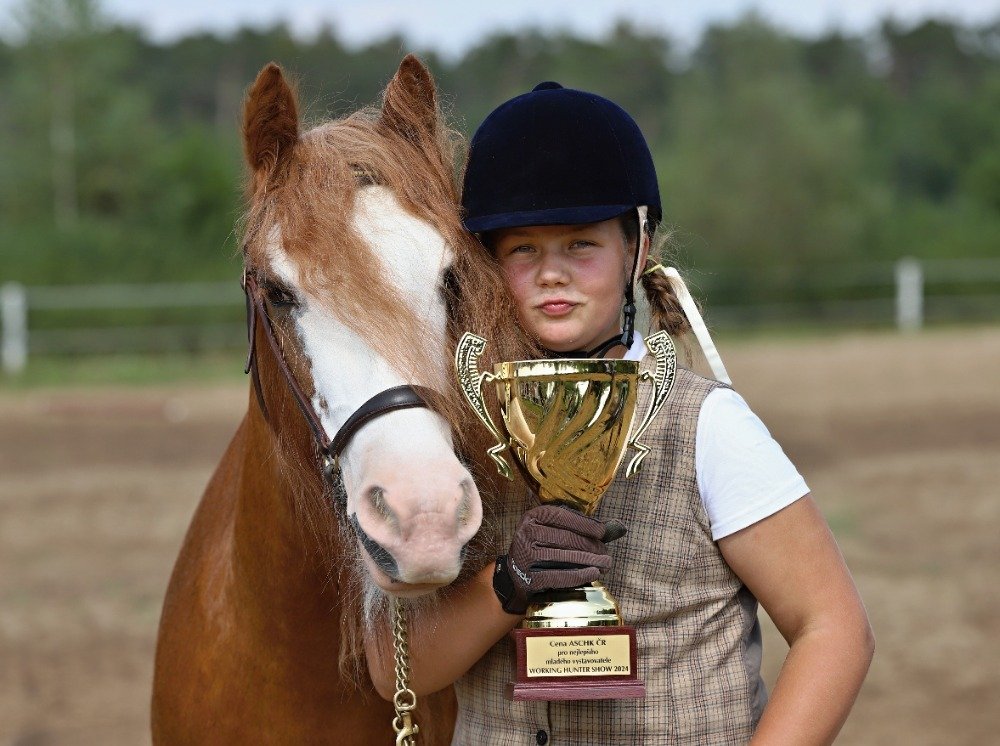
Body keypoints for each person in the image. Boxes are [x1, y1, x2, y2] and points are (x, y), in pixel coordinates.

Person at [366, 81, 874, 744]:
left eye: (581, 245)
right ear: (488, 264)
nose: (552, 273)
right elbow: (395, 669)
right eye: (523, 249)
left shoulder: (708, 426)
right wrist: (506, 585)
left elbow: (833, 629)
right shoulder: (449, 440)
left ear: (637, 248)